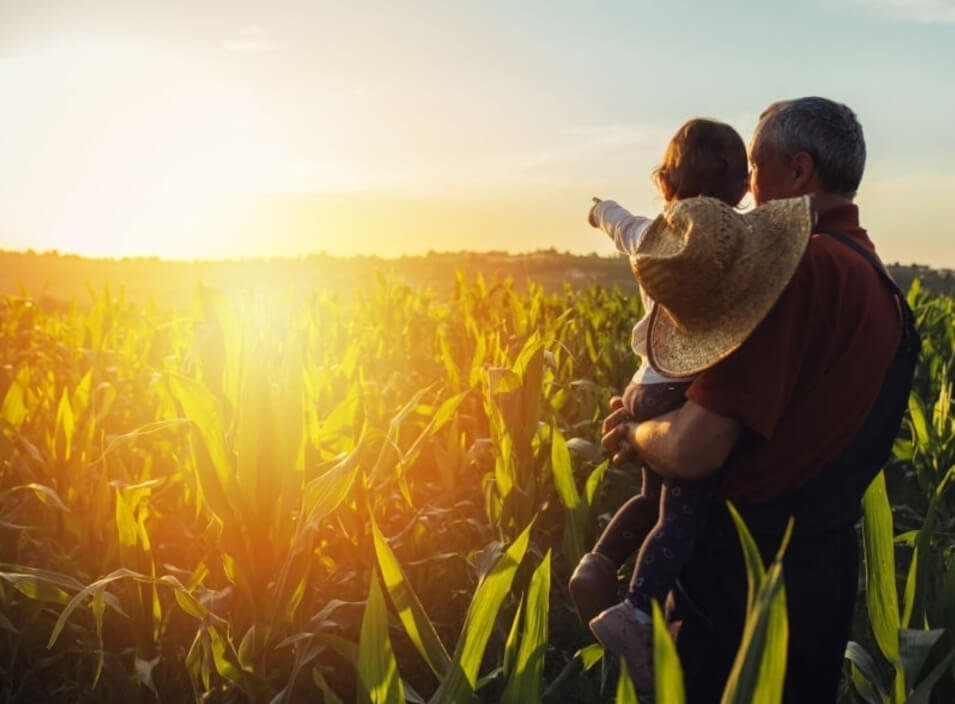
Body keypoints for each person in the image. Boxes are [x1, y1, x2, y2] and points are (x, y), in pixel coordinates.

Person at [599, 97, 920, 703]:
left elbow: (694, 448)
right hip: (818, 585)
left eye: (754, 165)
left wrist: (636, 434)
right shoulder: (878, 283)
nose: (746, 185)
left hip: (739, 590)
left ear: (798, 172)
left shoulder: (794, 272)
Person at [569, 119, 749, 634]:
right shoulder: (736, 252)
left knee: (650, 499)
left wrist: (599, 209)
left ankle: (598, 562)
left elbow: (617, 222)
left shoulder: (649, 236)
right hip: (680, 390)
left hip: (644, 386)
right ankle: (636, 610)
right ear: (743, 189)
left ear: (666, 184)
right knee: (680, 514)